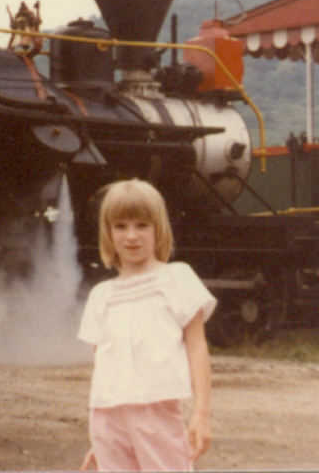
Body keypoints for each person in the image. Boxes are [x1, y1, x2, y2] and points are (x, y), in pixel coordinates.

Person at [78, 178, 215, 472]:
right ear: (108, 233)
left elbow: (197, 347)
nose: (131, 236)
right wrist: (100, 441)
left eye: (142, 225)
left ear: (158, 229)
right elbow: (103, 363)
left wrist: (201, 415)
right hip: (106, 419)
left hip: (156, 414)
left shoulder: (177, 278)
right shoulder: (101, 296)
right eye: (120, 226)